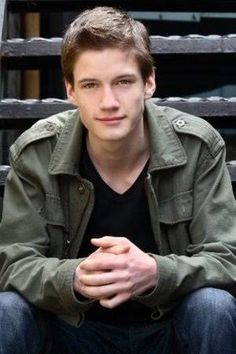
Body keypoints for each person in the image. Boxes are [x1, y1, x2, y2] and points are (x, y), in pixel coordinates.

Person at [0, 6, 236, 354]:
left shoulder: (198, 147)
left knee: (214, 307)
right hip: (72, 332)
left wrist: (156, 272)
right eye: (91, 85)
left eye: (123, 82)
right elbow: (15, 263)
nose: (108, 102)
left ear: (149, 82)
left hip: (168, 329)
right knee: (7, 311)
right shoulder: (35, 153)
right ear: (70, 90)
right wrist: (75, 277)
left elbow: (225, 258)